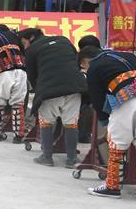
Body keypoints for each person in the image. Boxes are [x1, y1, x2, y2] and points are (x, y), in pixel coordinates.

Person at [85, 49, 136, 201]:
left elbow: (96, 98)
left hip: (125, 100)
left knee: (117, 146)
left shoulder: (94, 67)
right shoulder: (129, 55)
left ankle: (112, 187)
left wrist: (104, 121)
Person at [19, 28, 86, 167]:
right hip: (74, 87)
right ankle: (72, 159)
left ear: (31, 38)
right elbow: (75, 61)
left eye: (24, 43)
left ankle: (47, 157)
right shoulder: (64, 40)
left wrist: (39, 90)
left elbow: (32, 75)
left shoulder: (32, 50)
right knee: (71, 124)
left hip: (49, 89)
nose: (25, 47)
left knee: (46, 122)